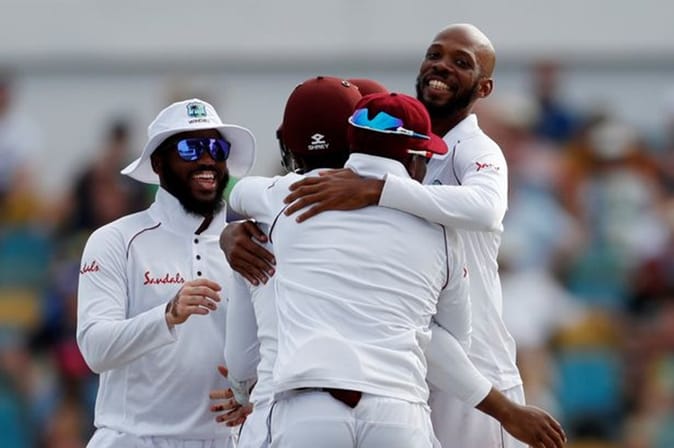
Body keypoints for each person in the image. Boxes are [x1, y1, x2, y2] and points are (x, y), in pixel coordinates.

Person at [225, 24, 567, 448]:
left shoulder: (474, 149)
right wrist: (231, 231)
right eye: (434, 55)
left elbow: (487, 208)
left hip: (472, 368)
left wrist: (377, 189)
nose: (442, 66)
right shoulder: (351, 189)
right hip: (413, 376)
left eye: (461, 62)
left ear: (485, 87)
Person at [228, 87, 477, 448]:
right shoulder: (441, 231)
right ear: (413, 160)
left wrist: (230, 232)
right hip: (398, 410)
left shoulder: (286, 196)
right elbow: (457, 340)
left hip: (308, 407)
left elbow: (238, 193)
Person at [76, 98, 255, 448]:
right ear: (158, 163)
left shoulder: (247, 244)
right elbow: (95, 350)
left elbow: (273, 345)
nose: (207, 159)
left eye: (217, 149)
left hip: (222, 440)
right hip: (132, 439)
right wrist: (167, 315)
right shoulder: (116, 240)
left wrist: (254, 389)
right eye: (191, 148)